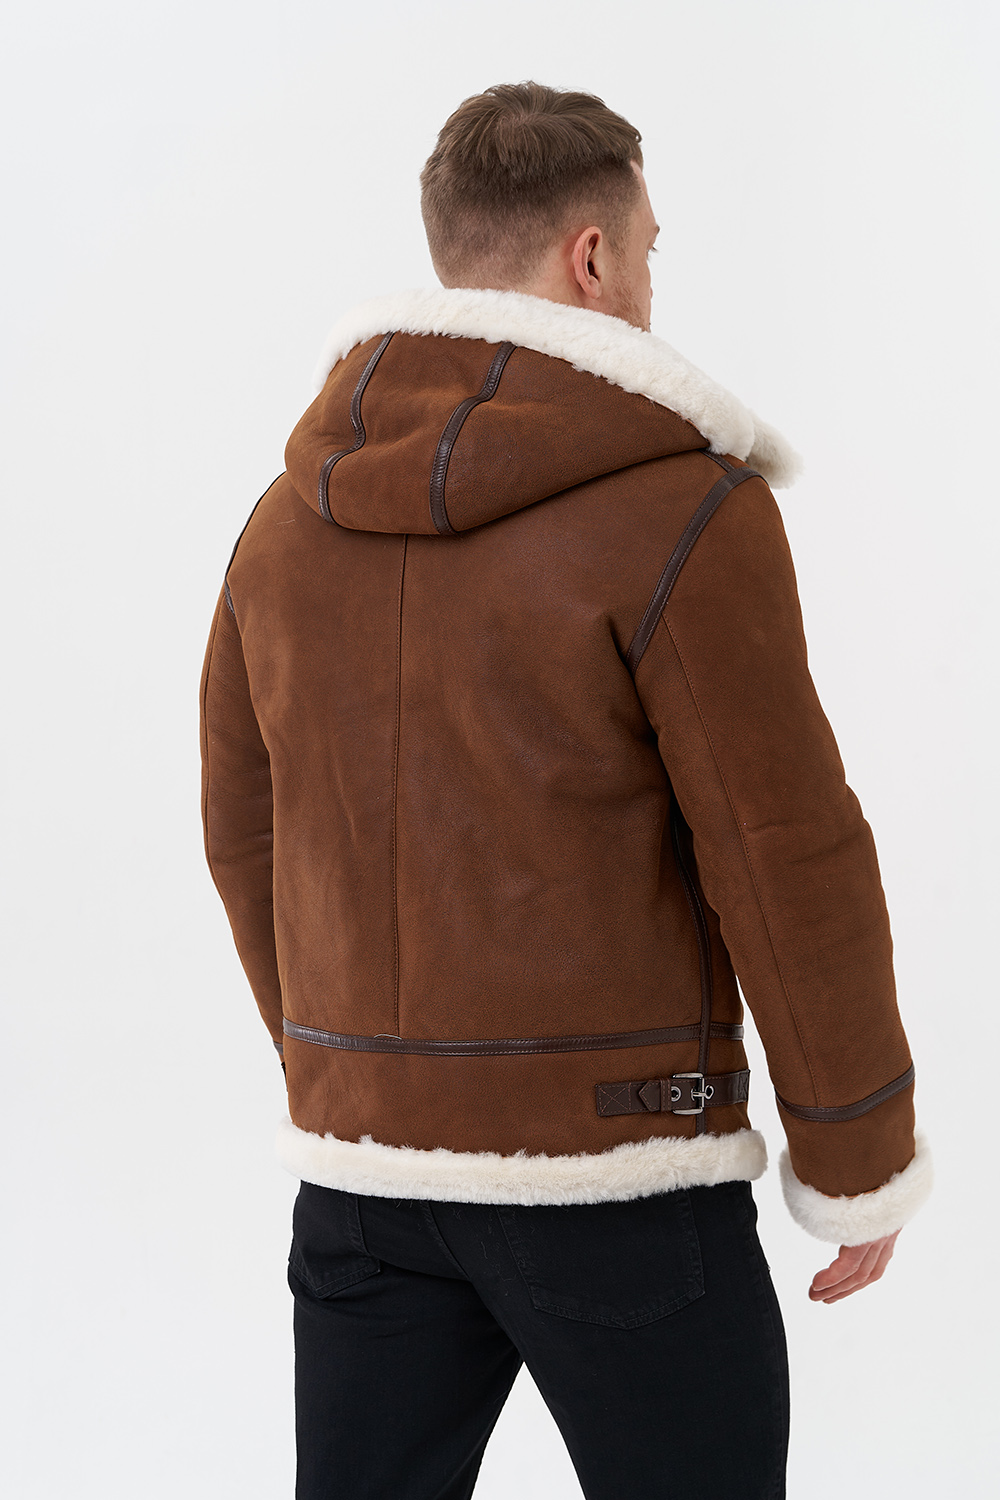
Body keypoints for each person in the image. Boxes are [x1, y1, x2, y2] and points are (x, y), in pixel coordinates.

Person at [199, 81, 932, 1500]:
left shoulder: (284, 523)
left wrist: (349, 1071)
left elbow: (243, 831)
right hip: (620, 1177)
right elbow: (783, 852)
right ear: (591, 256)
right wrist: (857, 1154)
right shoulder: (685, 509)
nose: (650, 280)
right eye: (649, 246)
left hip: (366, 1189)